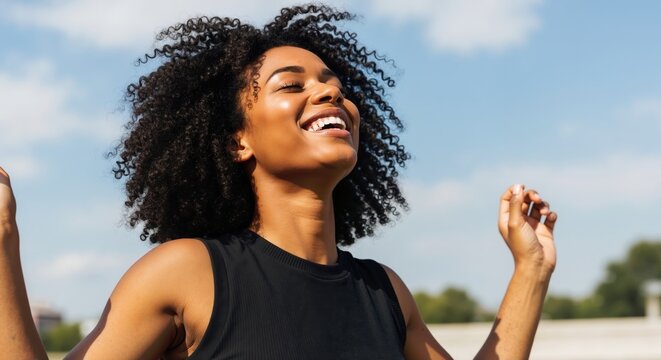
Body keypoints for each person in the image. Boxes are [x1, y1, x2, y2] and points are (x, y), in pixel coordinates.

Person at [0, 4, 557, 359]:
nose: (329, 93)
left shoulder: (384, 293)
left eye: (333, 82)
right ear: (237, 141)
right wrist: (3, 242)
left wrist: (531, 270)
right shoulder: (187, 273)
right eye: (292, 85)